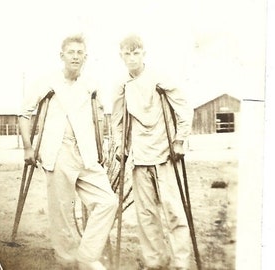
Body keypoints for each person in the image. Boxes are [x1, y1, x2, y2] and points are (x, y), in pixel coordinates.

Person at [18, 34, 118, 270]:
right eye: (70, 52)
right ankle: (66, 259)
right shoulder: (46, 82)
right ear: (61, 55)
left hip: (86, 152)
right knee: (61, 211)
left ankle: (86, 255)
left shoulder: (91, 84)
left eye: (79, 52)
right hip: (57, 149)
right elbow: (24, 114)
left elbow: (102, 115)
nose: (75, 56)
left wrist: (102, 144)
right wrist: (27, 146)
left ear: (85, 57)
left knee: (108, 202)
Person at [111, 34, 194, 270]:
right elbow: (117, 120)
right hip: (139, 156)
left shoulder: (159, 78)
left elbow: (183, 107)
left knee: (174, 211)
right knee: (146, 214)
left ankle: (181, 263)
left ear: (144, 54)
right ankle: (155, 261)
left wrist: (180, 140)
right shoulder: (122, 85)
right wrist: (120, 145)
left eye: (136, 53)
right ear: (121, 56)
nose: (132, 58)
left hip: (165, 154)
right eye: (127, 54)